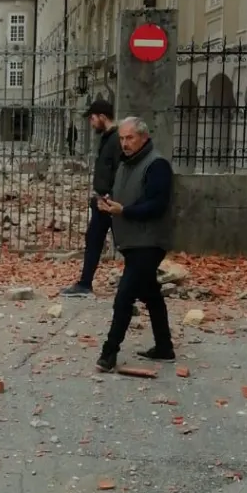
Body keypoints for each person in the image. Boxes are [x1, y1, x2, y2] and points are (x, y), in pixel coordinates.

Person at [95, 116, 174, 372]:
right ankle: (164, 347)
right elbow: (123, 197)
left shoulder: (157, 165)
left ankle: (109, 352)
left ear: (144, 138)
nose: (125, 143)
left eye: (130, 138)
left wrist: (124, 210)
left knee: (125, 296)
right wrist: (108, 203)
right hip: (132, 241)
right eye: (122, 138)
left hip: (149, 242)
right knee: (150, 294)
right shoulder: (125, 164)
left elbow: (157, 205)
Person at [62, 99, 121, 296]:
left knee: (125, 243)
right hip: (102, 200)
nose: (91, 122)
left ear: (103, 117)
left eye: (93, 118)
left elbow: (119, 171)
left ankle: (141, 283)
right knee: (94, 238)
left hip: (111, 202)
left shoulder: (116, 139)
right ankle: (85, 283)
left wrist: (111, 196)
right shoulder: (107, 137)